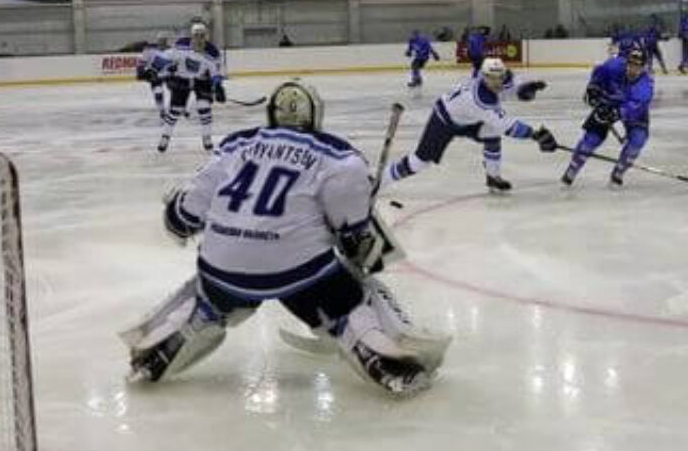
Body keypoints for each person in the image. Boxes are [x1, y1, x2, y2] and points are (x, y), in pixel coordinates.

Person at [120, 80, 449, 396]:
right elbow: (356, 241)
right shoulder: (336, 154)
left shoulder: (236, 144)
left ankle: (173, 337)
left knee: (213, 293)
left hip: (221, 270)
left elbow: (184, 217)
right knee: (348, 296)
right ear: (314, 114)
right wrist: (360, 215)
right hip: (299, 275)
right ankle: (378, 355)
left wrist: (175, 212)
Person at [384, 58, 554, 193]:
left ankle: (493, 177)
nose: (498, 82)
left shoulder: (495, 78)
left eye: (500, 77)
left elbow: (512, 84)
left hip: (467, 118)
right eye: (493, 78)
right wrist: (535, 134)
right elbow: (507, 126)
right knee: (420, 162)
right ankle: (380, 180)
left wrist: (524, 88)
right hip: (444, 120)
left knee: (492, 134)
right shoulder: (480, 100)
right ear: (484, 77)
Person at [562, 48, 654, 186]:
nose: (632, 69)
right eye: (630, 64)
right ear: (626, 62)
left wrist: (616, 113)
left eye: (637, 66)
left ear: (644, 67)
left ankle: (619, 171)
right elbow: (598, 72)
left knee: (638, 139)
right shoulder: (613, 66)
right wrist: (593, 88)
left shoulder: (645, 85)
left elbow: (635, 108)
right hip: (609, 102)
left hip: (630, 110)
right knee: (591, 139)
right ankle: (572, 169)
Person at [155, 23, 226, 153]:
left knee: (204, 107)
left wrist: (218, 85)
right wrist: (167, 67)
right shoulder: (182, 44)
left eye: (202, 36)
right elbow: (165, 58)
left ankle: (206, 137)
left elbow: (216, 72)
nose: (199, 39)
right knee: (175, 111)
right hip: (181, 79)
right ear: (191, 36)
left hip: (201, 81)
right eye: (196, 36)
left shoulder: (212, 51)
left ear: (206, 36)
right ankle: (165, 136)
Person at [136, 32, 172, 118]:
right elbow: (142, 63)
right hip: (155, 74)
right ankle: (161, 110)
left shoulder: (172, 50)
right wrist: (140, 71)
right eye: (160, 40)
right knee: (158, 91)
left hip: (168, 74)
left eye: (164, 40)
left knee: (176, 90)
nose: (162, 42)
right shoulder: (150, 50)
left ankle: (178, 107)